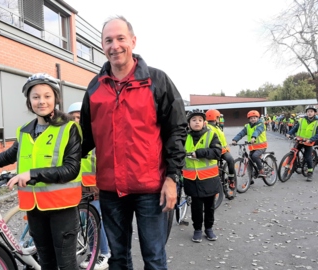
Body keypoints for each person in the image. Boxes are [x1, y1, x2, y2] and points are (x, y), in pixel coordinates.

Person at [79, 16, 187, 270]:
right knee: (118, 259)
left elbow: (176, 130)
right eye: (108, 40)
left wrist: (173, 178)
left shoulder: (157, 81)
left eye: (120, 39)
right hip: (111, 190)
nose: (115, 45)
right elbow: (84, 138)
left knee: (154, 258)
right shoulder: (95, 89)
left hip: (152, 188)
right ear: (102, 46)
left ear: (133, 41)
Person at [0, 73, 82, 270]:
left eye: (47, 96)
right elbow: (6, 156)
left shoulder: (69, 128)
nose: (42, 101)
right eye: (36, 97)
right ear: (29, 101)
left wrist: (31, 174)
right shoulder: (24, 130)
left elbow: (71, 169)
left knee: (66, 265)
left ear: (55, 99)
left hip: (62, 209)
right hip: (34, 208)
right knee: (46, 262)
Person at [67, 102, 110, 270]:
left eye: (80, 117)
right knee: (77, 220)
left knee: (96, 220)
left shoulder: (96, 137)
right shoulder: (69, 137)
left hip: (94, 188)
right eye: (74, 117)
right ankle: (87, 247)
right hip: (75, 187)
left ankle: (103, 254)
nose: (77, 120)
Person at [182, 109, 221, 242]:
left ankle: (209, 229)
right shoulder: (184, 136)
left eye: (199, 120)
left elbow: (217, 152)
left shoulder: (211, 135)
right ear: (189, 123)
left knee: (209, 206)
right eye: (193, 120)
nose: (197, 122)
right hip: (191, 179)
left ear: (204, 122)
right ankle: (197, 229)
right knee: (196, 207)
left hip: (209, 178)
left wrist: (200, 153)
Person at [205, 109, 236, 199]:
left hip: (222, 151)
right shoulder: (208, 127)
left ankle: (231, 179)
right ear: (216, 118)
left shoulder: (217, 126)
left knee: (227, 162)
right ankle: (231, 179)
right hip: (219, 152)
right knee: (230, 160)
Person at [231, 110, 268, 183]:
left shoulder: (261, 125)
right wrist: (235, 140)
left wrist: (254, 137)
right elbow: (241, 133)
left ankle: (261, 170)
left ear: (258, 118)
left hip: (261, 147)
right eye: (251, 118)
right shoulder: (247, 126)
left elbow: (257, 131)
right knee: (249, 162)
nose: (253, 119)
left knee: (255, 156)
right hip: (253, 148)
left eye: (254, 118)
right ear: (249, 119)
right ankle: (250, 178)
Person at [286, 106, 318, 181]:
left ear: (315, 113)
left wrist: (311, 139)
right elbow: (295, 128)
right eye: (308, 111)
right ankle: (288, 168)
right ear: (306, 112)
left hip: (309, 142)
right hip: (299, 140)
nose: (309, 113)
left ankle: (310, 172)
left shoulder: (317, 121)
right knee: (292, 153)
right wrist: (289, 133)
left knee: (308, 157)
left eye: (311, 111)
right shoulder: (302, 120)